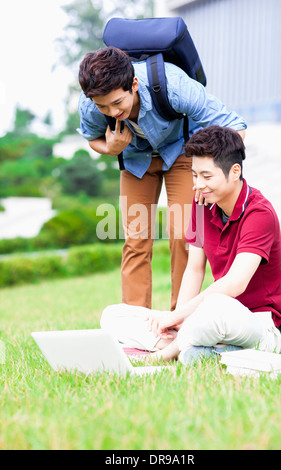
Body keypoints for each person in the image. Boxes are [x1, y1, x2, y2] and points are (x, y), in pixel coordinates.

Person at [100, 125, 281, 364]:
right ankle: (195, 345)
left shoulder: (259, 212)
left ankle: (166, 353)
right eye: (194, 174)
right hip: (210, 319)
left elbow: (234, 284)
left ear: (234, 171)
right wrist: (177, 321)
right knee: (113, 315)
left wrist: (179, 316)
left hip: (259, 324)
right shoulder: (202, 203)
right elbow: (194, 269)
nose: (198, 184)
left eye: (206, 176)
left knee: (215, 307)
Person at [78, 46, 247, 310]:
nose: (111, 112)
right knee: (136, 238)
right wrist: (110, 149)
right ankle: (135, 323)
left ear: (133, 84)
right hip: (134, 159)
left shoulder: (174, 85)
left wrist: (211, 173)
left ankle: (179, 319)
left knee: (184, 234)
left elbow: (235, 126)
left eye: (117, 103)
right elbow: (92, 138)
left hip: (181, 151)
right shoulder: (90, 103)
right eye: (103, 107)